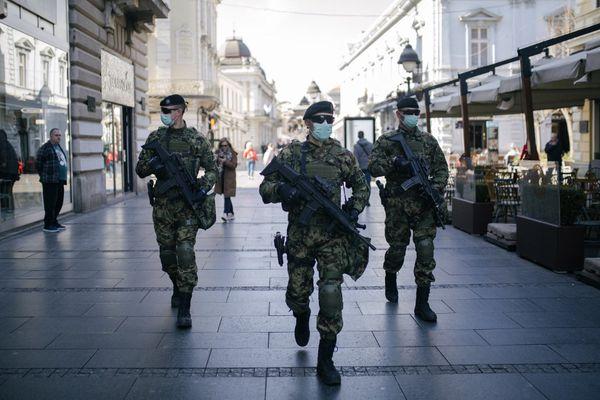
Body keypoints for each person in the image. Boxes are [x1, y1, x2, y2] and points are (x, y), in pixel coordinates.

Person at [259, 101, 370, 386]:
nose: (325, 124)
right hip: (300, 237)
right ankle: (301, 314)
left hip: (333, 236)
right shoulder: (293, 154)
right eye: (319, 119)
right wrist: (284, 189)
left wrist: (354, 209)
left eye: (329, 119)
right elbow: (265, 187)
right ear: (307, 123)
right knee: (298, 292)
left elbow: (361, 185)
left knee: (331, 294)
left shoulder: (342, 155)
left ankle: (326, 360)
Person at [136, 94, 218, 329]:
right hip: (163, 208)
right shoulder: (156, 137)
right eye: (162, 110)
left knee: (184, 252)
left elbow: (212, 169)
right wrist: (155, 166)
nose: (164, 114)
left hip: (187, 208)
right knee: (167, 257)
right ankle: (177, 284)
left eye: (168, 110)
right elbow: (140, 169)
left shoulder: (195, 139)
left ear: (180, 111)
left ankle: (185, 305)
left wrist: (202, 188)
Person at [368, 97, 449, 322]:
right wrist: (394, 163)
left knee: (425, 248)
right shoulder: (387, 141)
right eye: (408, 112)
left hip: (423, 205)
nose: (413, 115)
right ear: (398, 114)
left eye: (416, 112)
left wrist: (434, 188)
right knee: (397, 249)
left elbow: (442, 169)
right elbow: (373, 167)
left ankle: (422, 304)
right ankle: (390, 275)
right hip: (397, 206)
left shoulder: (428, 141)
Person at [35, 128, 68, 233]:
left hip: (60, 180)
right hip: (50, 181)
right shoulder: (45, 148)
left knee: (59, 202)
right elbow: (38, 164)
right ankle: (48, 224)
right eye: (56, 135)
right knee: (50, 203)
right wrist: (45, 176)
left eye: (59, 135)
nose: (58, 137)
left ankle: (54, 221)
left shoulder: (58, 147)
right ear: (51, 136)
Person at [215, 137, 238, 222]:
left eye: (225, 145)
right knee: (227, 196)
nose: (224, 147)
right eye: (222, 145)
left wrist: (225, 161)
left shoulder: (233, 153)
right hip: (221, 178)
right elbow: (214, 163)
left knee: (227, 196)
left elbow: (234, 165)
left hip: (229, 178)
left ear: (228, 145)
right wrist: (217, 159)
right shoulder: (218, 153)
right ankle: (231, 213)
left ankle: (225, 213)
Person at [0, 129, 20, 214]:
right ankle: (9, 209)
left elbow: (3, 152)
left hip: (7, 171)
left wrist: (3, 163)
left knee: (4, 190)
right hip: (11, 170)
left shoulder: (1, 138)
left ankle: (6, 209)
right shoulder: (5, 139)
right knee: (7, 190)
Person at [353, 130, 373, 206]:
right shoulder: (370, 145)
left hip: (360, 169)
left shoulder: (356, 146)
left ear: (358, 136)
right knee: (368, 184)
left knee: (359, 185)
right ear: (363, 135)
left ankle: (360, 201)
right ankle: (367, 200)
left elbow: (355, 158)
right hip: (367, 168)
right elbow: (372, 156)